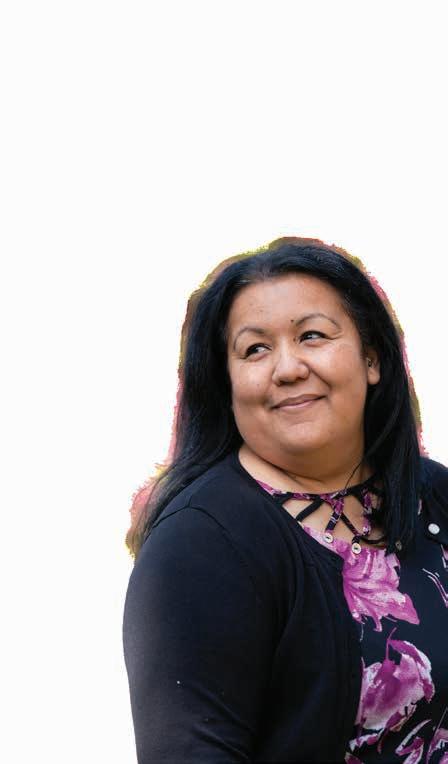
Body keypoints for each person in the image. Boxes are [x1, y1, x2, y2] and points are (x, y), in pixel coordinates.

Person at [122, 237, 448, 763]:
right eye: (255, 349)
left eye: (312, 336)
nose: (288, 368)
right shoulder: (198, 545)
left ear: (371, 359)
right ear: (227, 384)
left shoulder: (434, 496)